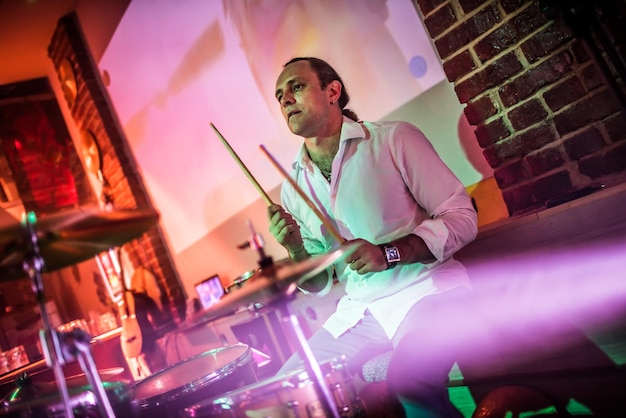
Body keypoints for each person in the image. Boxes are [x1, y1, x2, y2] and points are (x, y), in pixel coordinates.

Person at [268, 57, 479, 417]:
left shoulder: (394, 139)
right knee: (282, 398)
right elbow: (319, 282)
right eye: (279, 95)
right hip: (360, 313)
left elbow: (461, 216)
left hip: (427, 291)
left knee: (409, 383)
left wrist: (390, 253)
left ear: (332, 91)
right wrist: (295, 250)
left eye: (296, 86)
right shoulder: (293, 186)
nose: (285, 98)